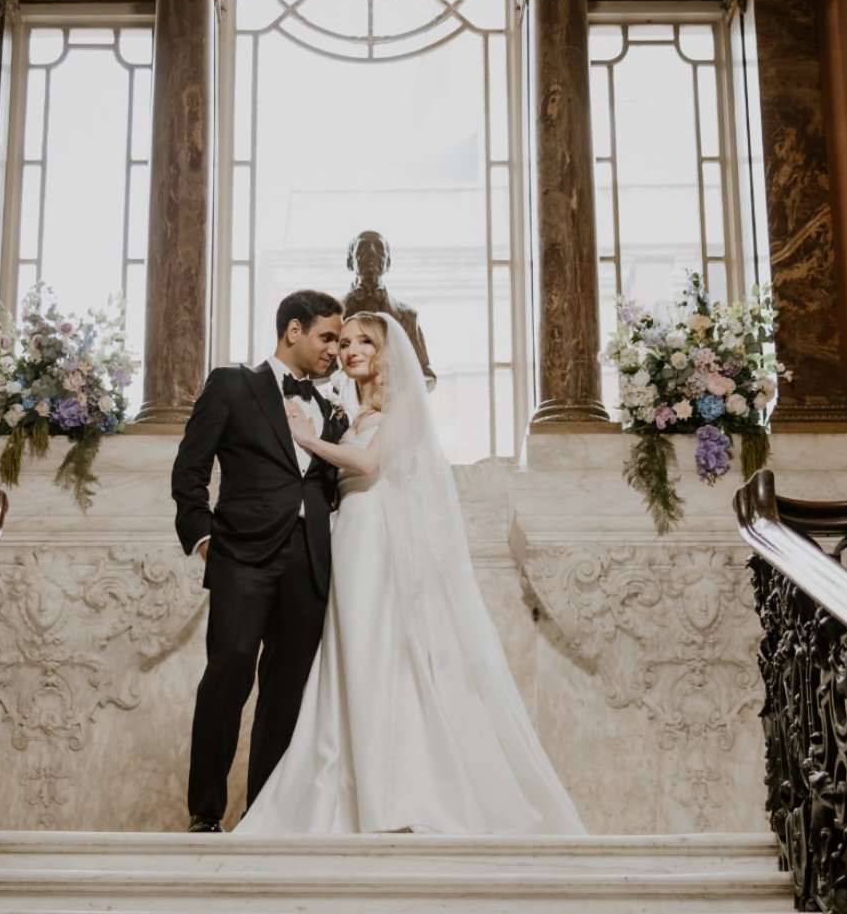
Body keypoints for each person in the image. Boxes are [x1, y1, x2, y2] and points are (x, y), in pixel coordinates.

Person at [235, 312, 584, 836]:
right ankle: (348, 783)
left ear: (384, 352)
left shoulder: (404, 405)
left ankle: (394, 791)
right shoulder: (348, 412)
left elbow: (372, 464)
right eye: (344, 342)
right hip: (349, 534)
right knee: (350, 653)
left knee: (378, 649)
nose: (350, 350)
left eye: (363, 343)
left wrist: (306, 440)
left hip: (376, 535)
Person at [172, 289, 346, 833]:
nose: (335, 351)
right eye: (328, 337)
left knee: (286, 690)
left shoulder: (333, 409)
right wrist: (203, 539)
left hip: (310, 561)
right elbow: (190, 470)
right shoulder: (232, 383)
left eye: (340, 341)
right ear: (293, 330)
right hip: (241, 555)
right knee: (229, 673)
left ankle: (263, 816)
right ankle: (205, 812)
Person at [342, 230, 436, 388]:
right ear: (350, 262)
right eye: (363, 248)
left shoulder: (407, 316)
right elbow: (318, 375)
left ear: (388, 262)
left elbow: (427, 375)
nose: (372, 253)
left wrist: (403, 392)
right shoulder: (331, 315)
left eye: (378, 248)